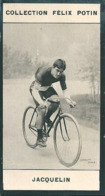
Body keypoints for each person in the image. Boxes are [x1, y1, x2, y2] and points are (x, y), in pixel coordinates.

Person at [30, 59, 76, 147]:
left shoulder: (62, 76)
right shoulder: (43, 72)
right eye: (57, 70)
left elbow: (65, 90)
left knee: (56, 101)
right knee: (42, 109)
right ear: (53, 67)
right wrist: (41, 103)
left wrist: (69, 101)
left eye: (61, 72)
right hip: (36, 89)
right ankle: (39, 138)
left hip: (47, 88)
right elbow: (35, 90)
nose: (58, 74)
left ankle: (46, 118)